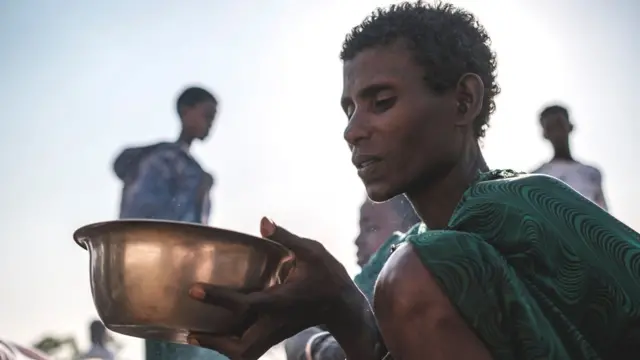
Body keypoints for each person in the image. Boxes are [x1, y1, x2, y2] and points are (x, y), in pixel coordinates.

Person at [182, 2, 640, 360]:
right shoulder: (396, 255)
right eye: (349, 109)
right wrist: (338, 311)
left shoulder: (531, 205)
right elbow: (323, 339)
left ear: (463, 101)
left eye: (380, 101)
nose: (353, 130)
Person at [112, 86, 226, 360]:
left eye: (214, 118)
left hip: (189, 283)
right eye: (207, 115)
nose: (211, 124)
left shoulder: (194, 170)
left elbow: (199, 231)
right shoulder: (162, 161)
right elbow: (139, 223)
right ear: (186, 111)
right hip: (160, 283)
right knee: (172, 350)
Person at [284, 195, 419, 360]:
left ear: (410, 229)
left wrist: (321, 350)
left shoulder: (413, 283)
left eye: (371, 228)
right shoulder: (356, 290)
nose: (357, 241)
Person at [532, 104, 608, 210]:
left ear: (570, 126)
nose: (556, 132)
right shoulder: (536, 177)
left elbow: (605, 214)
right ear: (545, 134)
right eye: (550, 127)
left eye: (559, 124)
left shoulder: (592, 173)